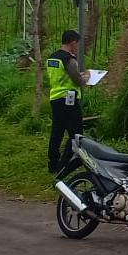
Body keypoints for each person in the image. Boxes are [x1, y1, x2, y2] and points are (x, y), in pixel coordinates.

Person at [46, 30, 90, 174]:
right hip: (69, 99)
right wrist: (86, 77)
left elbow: (62, 77)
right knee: (76, 134)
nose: (77, 47)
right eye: (77, 44)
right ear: (73, 43)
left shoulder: (52, 58)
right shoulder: (69, 59)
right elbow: (77, 80)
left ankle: (53, 163)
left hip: (55, 98)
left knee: (57, 131)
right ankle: (64, 165)